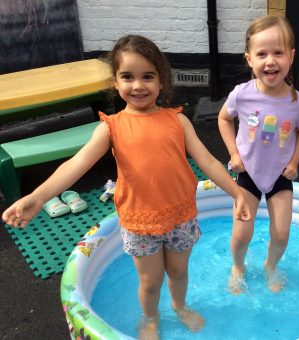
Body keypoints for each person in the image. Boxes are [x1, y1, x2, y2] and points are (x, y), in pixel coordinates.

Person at [2, 35, 251, 339]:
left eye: (148, 76)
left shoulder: (178, 122)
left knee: (178, 272)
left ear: (161, 81)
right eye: (128, 77)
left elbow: (209, 163)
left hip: (181, 216)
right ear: (116, 83)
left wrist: (237, 192)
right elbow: (76, 164)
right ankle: (149, 317)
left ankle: (179, 306)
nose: (138, 85)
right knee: (150, 281)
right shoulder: (111, 127)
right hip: (139, 221)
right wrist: (38, 197)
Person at [217, 15, 299, 294]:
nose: (270, 61)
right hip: (248, 173)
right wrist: (234, 153)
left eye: (278, 52)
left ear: (291, 57)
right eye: (262, 54)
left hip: (280, 174)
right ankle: (238, 266)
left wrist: (295, 162)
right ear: (249, 59)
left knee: (281, 232)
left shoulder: (298, 102)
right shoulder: (241, 95)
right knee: (241, 233)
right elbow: (223, 118)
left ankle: (270, 265)